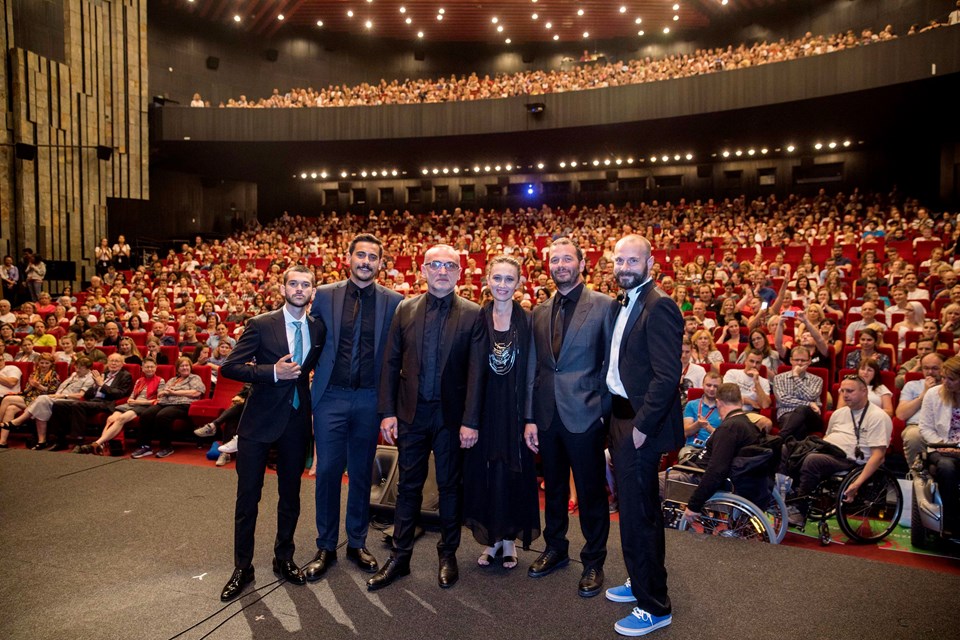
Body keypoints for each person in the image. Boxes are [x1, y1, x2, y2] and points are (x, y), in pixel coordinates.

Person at [368, 244, 486, 592]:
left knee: (450, 487)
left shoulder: (473, 313)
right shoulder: (405, 309)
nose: (442, 271)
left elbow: (477, 373)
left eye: (449, 265)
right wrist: (387, 412)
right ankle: (400, 557)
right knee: (408, 487)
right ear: (423, 269)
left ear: (459, 273)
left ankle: (447, 554)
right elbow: (390, 363)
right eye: (435, 264)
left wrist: (471, 420)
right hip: (410, 413)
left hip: (451, 418)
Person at [218, 265, 325, 602]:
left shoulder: (318, 328)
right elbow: (230, 367)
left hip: (296, 422)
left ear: (312, 292)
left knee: (291, 497)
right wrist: (272, 372)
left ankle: (284, 558)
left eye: (305, 284)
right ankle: (242, 568)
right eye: (293, 283)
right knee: (248, 498)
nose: (298, 289)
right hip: (259, 422)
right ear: (283, 289)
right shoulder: (261, 324)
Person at [303, 234, 402, 581]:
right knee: (328, 471)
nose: (365, 261)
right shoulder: (325, 295)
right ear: (348, 257)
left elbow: (395, 356)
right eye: (360, 255)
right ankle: (326, 545)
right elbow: (309, 343)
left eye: (372, 257)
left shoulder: (394, 301)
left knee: (361, 474)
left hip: (369, 399)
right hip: (330, 396)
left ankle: (356, 542)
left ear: (380, 263)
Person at [522, 237, 615, 599]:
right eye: (554, 259)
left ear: (581, 262)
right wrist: (530, 417)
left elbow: (611, 366)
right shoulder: (540, 311)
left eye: (567, 259)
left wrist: (601, 412)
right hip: (547, 415)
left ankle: (593, 560)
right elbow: (535, 367)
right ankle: (556, 547)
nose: (560, 264)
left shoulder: (605, 306)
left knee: (591, 492)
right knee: (555, 489)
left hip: (586, 414)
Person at [602, 234, 682, 637]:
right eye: (620, 260)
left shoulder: (660, 305)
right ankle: (639, 581)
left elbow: (669, 377)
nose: (625, 267)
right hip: (620, 420)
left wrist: (642, 429)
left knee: (643, 515)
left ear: (650, 263)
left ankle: (655, 606)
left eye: (633, 260)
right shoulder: (625, 301)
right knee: (630, 511)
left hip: (639, 426)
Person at [464, 256, 541, 570]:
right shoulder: (476, 318)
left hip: (516, 411)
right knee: (487, 472)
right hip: (484, 410)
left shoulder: (530, 321)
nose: (503, 285)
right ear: (487, 280)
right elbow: (468, 372)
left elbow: (534, 373)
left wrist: (530, 417)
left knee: (513, 472)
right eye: (497, 278)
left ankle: (509, 540)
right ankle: (492, 539)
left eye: (509, 279)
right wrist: (468, 420)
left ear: (519, 283)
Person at [787, 374, 892, 527]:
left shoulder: (878, 416)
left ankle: (800, 511)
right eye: (843, 391)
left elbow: (878, 456)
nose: (845, 395)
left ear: (864, 391)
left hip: (852, 461)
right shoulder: (838, 414)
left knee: (813, 460)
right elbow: (827, 438)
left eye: (850, 391)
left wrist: (857, 484)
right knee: (787, 448)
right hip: (829, 453)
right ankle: (785, 497)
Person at [75, 358, 165, 455]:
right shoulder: (139, 380)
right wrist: (131, 400)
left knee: (121, 418)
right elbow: (131, 397)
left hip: (144, 405)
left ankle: (97, 443)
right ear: (142, 368)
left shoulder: (160, 380)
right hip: (132, 404)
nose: (149, 369)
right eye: (147, 367)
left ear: (156, 368)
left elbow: (158, 400)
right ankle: (101, 445)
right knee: (110, 418)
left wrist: (136, 401)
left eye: (152, 367)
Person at [1, 357, 94, 449]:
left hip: (67, 400)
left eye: (80, 368)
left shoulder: (89, 379)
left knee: (40, 399)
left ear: (88, 368)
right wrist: (32, 386)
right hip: (52, 398)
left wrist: (60, 396)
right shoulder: (74, 374)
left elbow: (80, 395)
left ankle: (18, 421)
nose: (77, 370)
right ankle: (41, 441)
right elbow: (26, 390)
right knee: (18, 407)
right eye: (76, 367)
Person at [46, 353, 134, 450]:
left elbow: (120, 394)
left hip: (107, 403)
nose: (113, 363)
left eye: (116, 361)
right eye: (111, 361)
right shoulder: (103, 374)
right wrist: (95, 385)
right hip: (93, 401)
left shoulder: (125, 376)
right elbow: (88, 395)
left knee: (78, 405)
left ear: (122, 364)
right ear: (107, 363)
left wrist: (102, 385)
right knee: (59, 404)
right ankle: (59, 440)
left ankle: (78, 441)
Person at [917, 355, 960, 533]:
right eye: (943, 377)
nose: (945, 382)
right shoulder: (933, 394)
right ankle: (951, 519)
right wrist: (943, 444)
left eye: (951, 379)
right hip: (938, 447)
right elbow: (925, 427)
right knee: (946, 466)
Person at [896, 353, 945, 469]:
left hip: (944, 427)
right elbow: (901, 415)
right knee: (913, 436)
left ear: (944, 368)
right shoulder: (912, 385)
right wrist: (924, 394)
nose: (930, 372)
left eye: (935, 368)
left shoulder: (952, 385)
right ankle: (919, 475)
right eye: (926, 368)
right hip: (917, 426)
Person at [0, 353, 60, 447]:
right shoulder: (34, 373)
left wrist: (38, 386)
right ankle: (2, 442)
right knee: (10, 409)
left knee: (7, 399)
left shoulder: (54, 375)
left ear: (51, 364)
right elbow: (26, 391)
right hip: (28, 397)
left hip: (40, 401)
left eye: (46, 363)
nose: (44, 365)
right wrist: (31, 386)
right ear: (38, 363)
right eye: (42, 363)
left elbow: (53, 392)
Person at [772, 346, 824, 441]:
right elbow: (782, 399)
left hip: (811, 416)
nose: (799, 363)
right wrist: (809, 403)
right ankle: (796, 454)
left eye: (803, 360)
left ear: (809, 361)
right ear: (791, 360)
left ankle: (778, 439)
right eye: (796, 360)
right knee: (800, 427)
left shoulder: (817, 380)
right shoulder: (779, 378)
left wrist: (796, 376)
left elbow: (811, 395)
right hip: (786, 414)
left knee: (802, 409)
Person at [680, 371, 723, 459]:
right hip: (691, 448)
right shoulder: (691, 405)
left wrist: (710, 429)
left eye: (716, 386)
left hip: (714, 449)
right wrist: (698, 425)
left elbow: (725, 438)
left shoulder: (724, 407)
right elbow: (685, 433)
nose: (711, 389)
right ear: (702, 385)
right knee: (686, 457)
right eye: (708, 385)